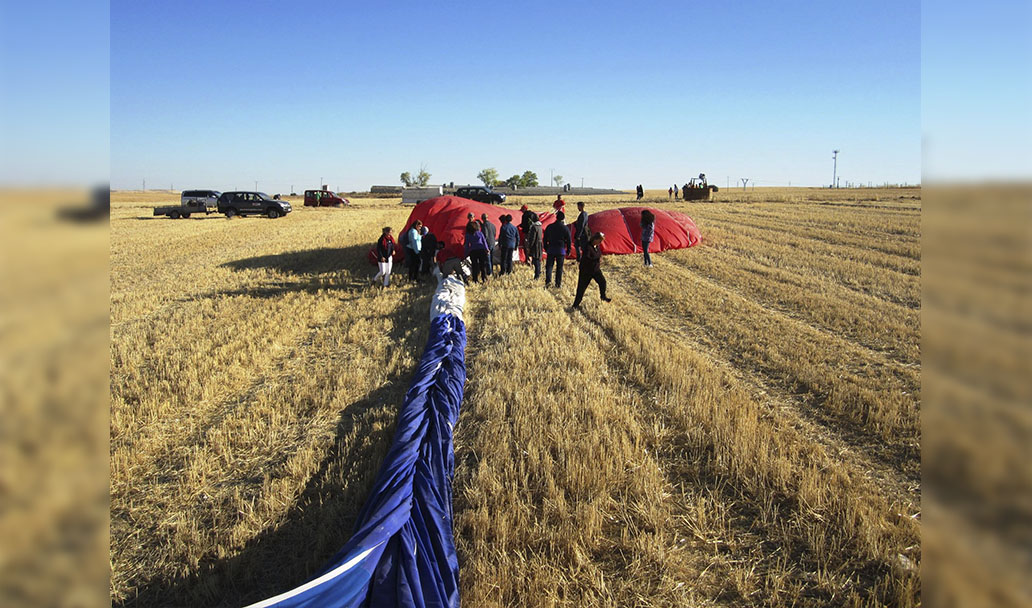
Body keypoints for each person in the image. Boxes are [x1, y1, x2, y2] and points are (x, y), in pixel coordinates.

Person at [572, 232, 611, 308]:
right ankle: (575, 305)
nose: (600, 243)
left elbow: (598, 255)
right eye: (599, 241)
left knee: (602, 282)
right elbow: (587, 258)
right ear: (595, 239)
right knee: (581, 288)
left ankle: (603, 296)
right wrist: (597, 259)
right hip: (586, 271)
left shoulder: (597, 247)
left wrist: (599, 259)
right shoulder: (588, 247)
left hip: (595, 270)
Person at [543, 211, 571, 288]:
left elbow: (545, 238)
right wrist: (568, 250)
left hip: (551, 249)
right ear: (563, 218)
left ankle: (548, 282)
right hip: (560, 250)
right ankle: (558, 284)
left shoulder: (550, 227)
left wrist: (546, 247)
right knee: (559, 268)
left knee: (549, 266)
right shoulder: (565, 228)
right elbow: (569, 240)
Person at [524, 212, 544, 279]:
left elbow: (532, 238)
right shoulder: (540, 226)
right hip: (539, 244)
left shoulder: (534, 227)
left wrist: (529, 246)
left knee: (536, 260)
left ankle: (537, 275)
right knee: (538, 259)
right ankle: (538, 272)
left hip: (535, 245)